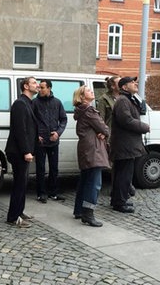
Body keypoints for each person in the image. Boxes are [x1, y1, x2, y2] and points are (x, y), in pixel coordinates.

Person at [110, 77, 150, 213]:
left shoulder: (127, 100)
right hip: (124, 145)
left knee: (123, 174)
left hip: (127, 145)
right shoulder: (122, 101)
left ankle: (118, 200)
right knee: (123, 175)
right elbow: (126, 120)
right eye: (132, 83)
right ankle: (119, 203)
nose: (135, 83)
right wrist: (144, 127)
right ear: (124, 87)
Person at [72, 85, 110, 227]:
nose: (92, 91)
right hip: (93, 149)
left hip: (85, 148)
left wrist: (101, 131)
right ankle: (88, 213)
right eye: (88, 91)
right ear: (81, 97)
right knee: (94, 184)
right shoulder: (89, 111)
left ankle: (79, 210)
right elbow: (104, 127)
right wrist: (103, 132)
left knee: (85, 181)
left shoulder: (81, 111)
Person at [6, 76, 39, 228]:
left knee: (23, 183)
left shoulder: (29, 103)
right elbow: (20, 130)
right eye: (34, 83)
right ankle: (13, 217)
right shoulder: (20, 104)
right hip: (18, 151)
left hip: (24, 150)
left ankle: (20, 211)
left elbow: (29, 126)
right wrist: (26, 151)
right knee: (19, 184)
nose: (37, 85)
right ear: (26, 86)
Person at [33, 79, 68, 203]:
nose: (40, 90)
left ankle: (53, 192)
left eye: (42, 87)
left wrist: (58, 133)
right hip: (40, 141)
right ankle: (41, 193)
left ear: (49, 88)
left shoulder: (57, 102)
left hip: (53, 140)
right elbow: (30, 121)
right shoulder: (34, 103)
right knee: (40, 168)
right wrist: (36, 135)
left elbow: (63, 119)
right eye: (39, 87)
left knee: (54, 168)